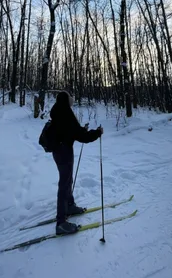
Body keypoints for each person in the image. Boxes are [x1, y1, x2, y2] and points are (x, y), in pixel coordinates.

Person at [50, 91, 103, 235]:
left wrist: (80, 130)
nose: (71, 101)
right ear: (66, 101)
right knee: (64, 183)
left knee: (67, 180)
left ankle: (70, 205)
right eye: (70, 99)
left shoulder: (57, 111)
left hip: (58, 151)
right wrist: (96, 133)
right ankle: (61, 222)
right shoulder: (66, 114)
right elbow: (82, 136)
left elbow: (71, 131)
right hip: (64, 152)